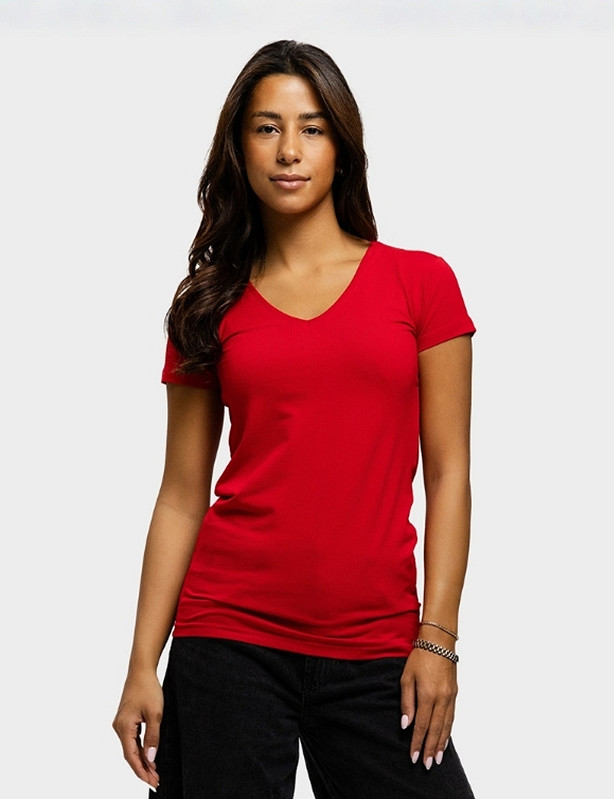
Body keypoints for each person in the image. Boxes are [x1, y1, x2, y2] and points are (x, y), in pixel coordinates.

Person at [112, 39, 476, 798]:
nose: (289, 150)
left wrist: (437, 638)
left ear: (342, 147)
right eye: (267, 127)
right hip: (228, 638)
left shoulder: (421, 284)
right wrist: (142, 662)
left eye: (312, 128)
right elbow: (181, 493)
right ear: (238, 146)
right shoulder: (208, 303)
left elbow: (449, 473)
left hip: (377, 645)